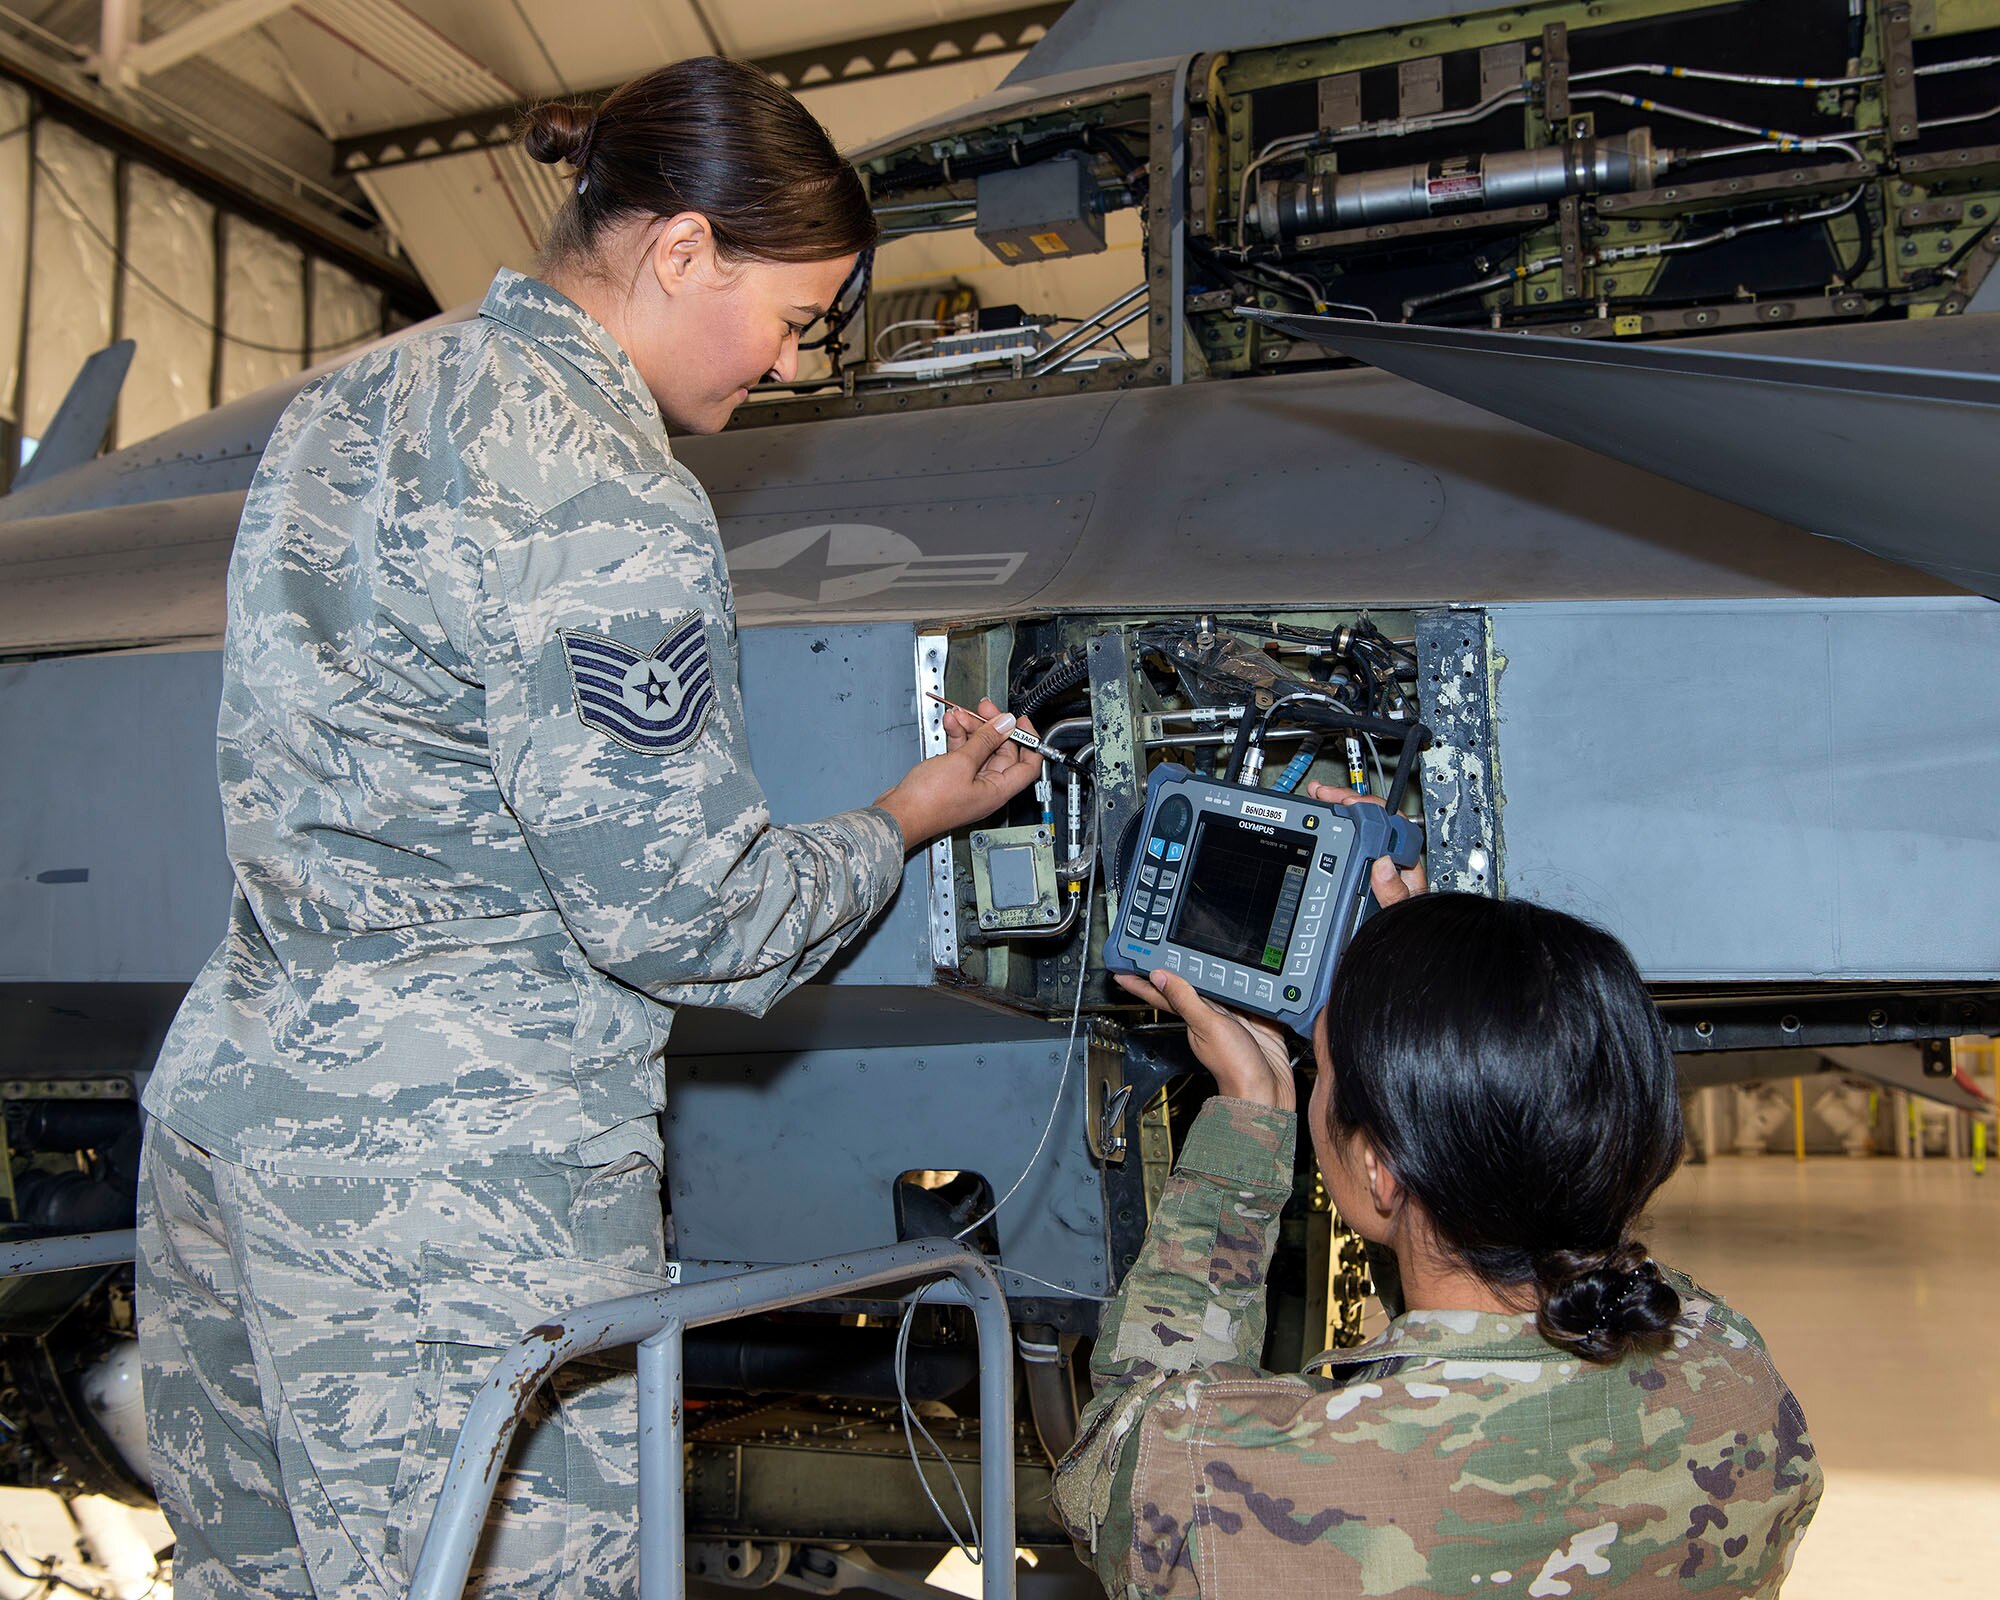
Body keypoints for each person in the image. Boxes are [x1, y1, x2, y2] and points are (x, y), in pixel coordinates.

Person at [135, 58, 1043, 1600]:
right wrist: (902, 819)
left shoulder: (352, 404)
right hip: (454, 1193)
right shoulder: (605, 489)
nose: (790, 363)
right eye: (797, 318)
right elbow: (690, 919)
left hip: (233, 1127)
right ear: (683, 250)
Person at [1053, 847, 1822, 1597]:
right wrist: (1451, 984)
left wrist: (1251, 1120)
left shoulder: (1254, 1490)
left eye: (1322, 1071)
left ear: (1382, 1169)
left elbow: (1116, 1461)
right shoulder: (1733, 1377)